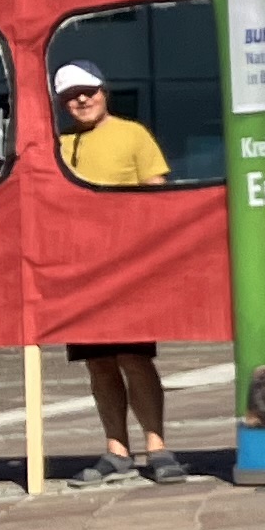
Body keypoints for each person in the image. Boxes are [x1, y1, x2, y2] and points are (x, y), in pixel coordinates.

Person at [50, 62, 179, 486]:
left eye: (89, 91)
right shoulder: (58, 143)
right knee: (98, 363)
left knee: (135, 358)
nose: (82, 100)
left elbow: (157, 192)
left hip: (126, 267)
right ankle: (116, 449)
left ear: (104, 91)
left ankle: (156, 446)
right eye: (72, 95)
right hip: (80, 269)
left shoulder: (132, 134)